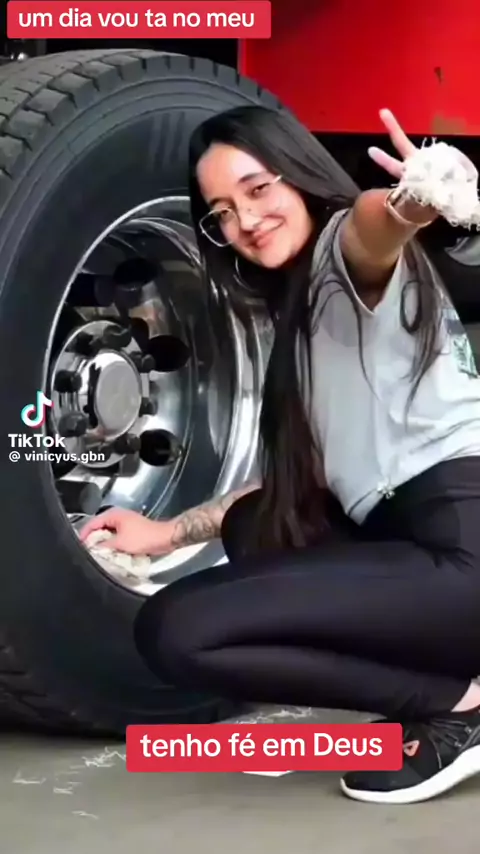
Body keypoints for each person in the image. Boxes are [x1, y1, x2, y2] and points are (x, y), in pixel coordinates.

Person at [80, 106, 480, 805]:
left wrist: (419, 194)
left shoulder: (338, 256)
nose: (245, 220)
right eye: (221, 212)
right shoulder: (305, 320)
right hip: (414, 543)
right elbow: (294, 484)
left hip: (461, 544)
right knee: (259, 523)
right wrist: (167, 533)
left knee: (177, 630)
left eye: (258, 188)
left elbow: (374, 226)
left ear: (298, 175)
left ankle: (458, 710)